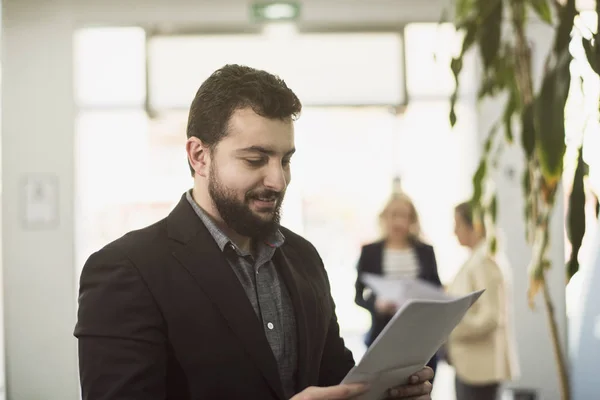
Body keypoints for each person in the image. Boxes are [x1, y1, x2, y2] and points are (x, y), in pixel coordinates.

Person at [74, 64, 434, 400]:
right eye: (255, 159)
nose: (278, 180)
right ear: (199, 156)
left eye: (285, 160)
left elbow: (333, 379)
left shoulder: (304, 258)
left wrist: (383, 392)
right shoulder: (126, 271)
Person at [354, 192, 442, 382]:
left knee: (420, 387)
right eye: (394, 215)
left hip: (421, 337)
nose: (399, 221)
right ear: (384, 217)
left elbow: (437, 289)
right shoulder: (370, 252)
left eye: (405, 215)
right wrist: (376, 305)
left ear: (412, 220)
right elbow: (359, 295)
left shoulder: (426, 252)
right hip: (383, 334)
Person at [446, 201, 517, 400]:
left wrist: (449, 329)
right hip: (472, 364)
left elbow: (491, 316)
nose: (454, 231)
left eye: (457, 224)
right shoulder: (476, 257)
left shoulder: (485, 259)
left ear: (474, 225)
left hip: (480, 368)